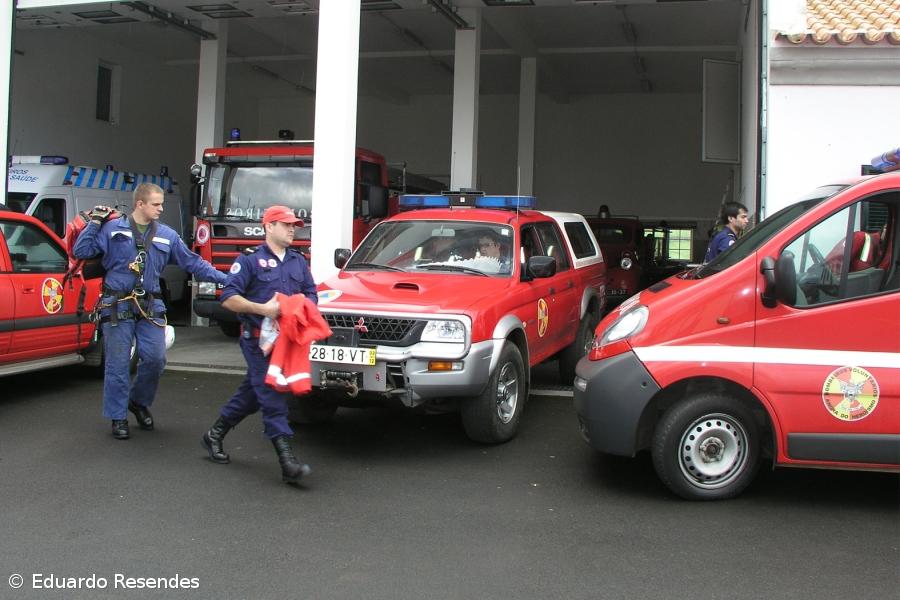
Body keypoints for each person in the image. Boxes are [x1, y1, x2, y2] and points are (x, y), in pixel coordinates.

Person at [73, 183, 227, 440]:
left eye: (161, 204)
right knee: (118, 363)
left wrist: (225, 279)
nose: (161, 208)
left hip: (150, 306)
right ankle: (118, 416)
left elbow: (193, 262)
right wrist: (94, 224)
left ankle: (138, 402)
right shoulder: (112, 230)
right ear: (140, 204)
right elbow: (82, 252)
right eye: (156, 204)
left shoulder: (166, 234)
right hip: (117, 304)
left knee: (156, 359)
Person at [201, 205, 318, 484]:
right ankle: (288, 463)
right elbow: (228, 297)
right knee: (272, 396)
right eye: (286, 224)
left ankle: (214, 434)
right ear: (269, 226)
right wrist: (263, 309)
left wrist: (301, 309)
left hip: (286, 343)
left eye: (294, 225)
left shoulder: (298, 261)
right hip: (257, 343)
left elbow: (311, 293)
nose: (293, 229)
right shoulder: (250, 260)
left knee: (252, 394)